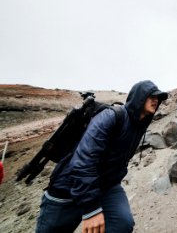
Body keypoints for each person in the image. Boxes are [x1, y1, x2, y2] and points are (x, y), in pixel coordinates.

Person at [35, 80, 168, 233]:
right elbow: (83, 162)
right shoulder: (111, 116)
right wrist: (91, 209)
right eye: (151, 96)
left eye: (158, 97)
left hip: (106, 186)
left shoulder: (139, 125)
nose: (156, 100)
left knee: (122, 224)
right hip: (68, 188)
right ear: (139, 98)